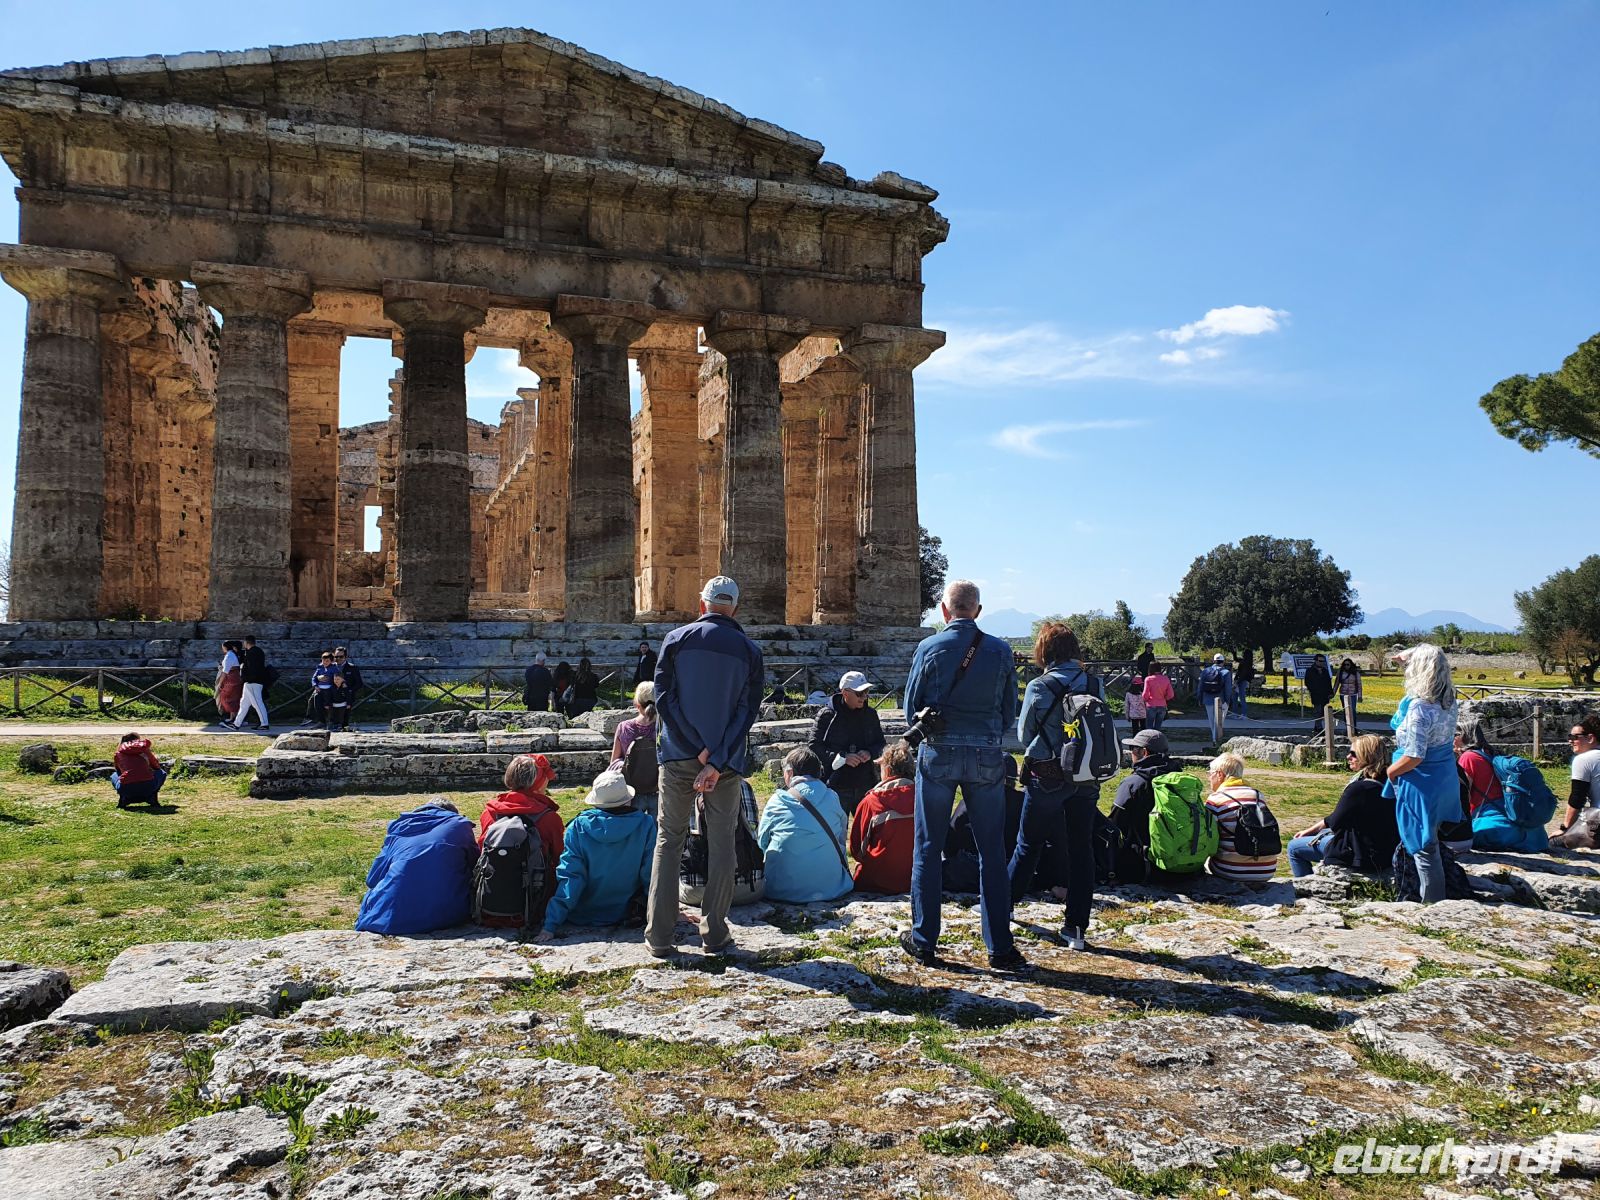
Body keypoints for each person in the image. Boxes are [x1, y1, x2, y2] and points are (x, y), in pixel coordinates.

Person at [901, 579, 1026, 973]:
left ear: (943, 610)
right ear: (978, 610)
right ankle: (1000, 946)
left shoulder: (929, 648)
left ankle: (924, 940)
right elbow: (1010, 711)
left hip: (938, 752)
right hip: (987, 754)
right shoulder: (1001, 651)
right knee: (992, 849)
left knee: (927, 847)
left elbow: (910, 710)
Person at [647, 575, 765, 958]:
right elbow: (747, 712)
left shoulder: (675, 640)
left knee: (669, 840)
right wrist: (714, 757)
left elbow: (663, 699)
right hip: (725, 763)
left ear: (703, 604)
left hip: (679, 756)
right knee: (722, 842)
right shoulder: (749, 650)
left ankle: (660, 936)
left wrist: (695, 748)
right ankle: (714, 933)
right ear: (735, 607)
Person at [1008, 622, 1103, 950]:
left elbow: (1023, 736)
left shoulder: (1039, 685)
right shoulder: (1093, 682)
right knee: (1081, 849)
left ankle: (1004, 905)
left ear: (1044, 652)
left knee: (1028, 842)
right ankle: (1076, 928)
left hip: (1047, 774)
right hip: (1086, 775)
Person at [534, 768, 656, 941]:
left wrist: (551, 924)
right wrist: (666, 912)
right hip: (627, 912)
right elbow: (650, 874)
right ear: (628, 798)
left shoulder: (577, 827)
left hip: (582, 913)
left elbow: (571, 877)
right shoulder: (645, 824)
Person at [1383, 644, 1461, 904]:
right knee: (1431, 842)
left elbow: (1415, 755)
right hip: (1444, 776)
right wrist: (1407, 656)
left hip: (1421, 780)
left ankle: (1432, 905)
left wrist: (1391, 771)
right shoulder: (1449, 701)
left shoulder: (1419, 707)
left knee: (1424, 847)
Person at [354, 800, 479, 935]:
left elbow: (372, 879)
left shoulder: (399, 829)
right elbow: (475, 866)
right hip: (447, 915)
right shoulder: (459, 826)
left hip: (387, 920)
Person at [1287, 734, 1399, 876]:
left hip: (1361, 852)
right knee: (1321, 833)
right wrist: (1314, 829)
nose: (1348, 757)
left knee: (1294, 848)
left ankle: (1304, 887)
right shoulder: (1391, 783)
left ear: (1366, 756)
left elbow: (1336, 822)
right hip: (1388, 850)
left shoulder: (1358, 789)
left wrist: (1313, 830)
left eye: (1353, 754)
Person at [757, 748, 853, 903]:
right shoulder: (832, 797)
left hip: (781, 889)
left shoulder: (777, 801)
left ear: (789, 773)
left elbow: (762, 842)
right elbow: (841, 838)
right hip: (831, 887)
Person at [478, 754, 566, 914]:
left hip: (491, 901)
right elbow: (560, 859)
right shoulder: (549, 818)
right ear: (539, 782)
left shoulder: (489, 813)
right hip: (537, 903)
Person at [808, 670, 887, 815]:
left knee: (867, 832)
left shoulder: (871, 714)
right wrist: (842, 757)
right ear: (845, 693)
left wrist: (869, 753)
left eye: (866, 691)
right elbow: (814, 746)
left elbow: (880, 743)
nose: (864, 697)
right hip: (836, 784)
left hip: (865, 782)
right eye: (859, 693)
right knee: (836, 833)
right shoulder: (827, 715)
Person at [1109, 729, 1182, 879]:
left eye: (1133, 749)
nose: (1131, 753)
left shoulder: (1133, 783)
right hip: (1181, 857)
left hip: (1143, 863)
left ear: (1144, 753)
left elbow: (1114, 823)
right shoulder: (1180, 779)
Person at [850, 741, 917, 895]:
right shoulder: (923, 797)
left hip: (877, 880)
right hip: (916, 878)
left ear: (886, 769)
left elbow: (856, 850)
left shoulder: (871, 801)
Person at [1202, 752, 1280, 883]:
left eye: (1210, 773)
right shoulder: (1257, 795)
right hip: (1267, 870)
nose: (1209, 777)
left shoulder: (1215, 799)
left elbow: (1208, 837)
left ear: (1220, 774)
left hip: (1231, 870)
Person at [612, 681, 660, 816]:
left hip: (631, 791)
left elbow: (614, 761)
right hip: (658, 788)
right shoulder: (665, 728)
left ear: (636, 703)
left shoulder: (624, 727)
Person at [1559, 715, 1600, 837]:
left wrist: (1565, 828)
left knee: (1553, 843)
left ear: (1590, 738)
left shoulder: (1583, 759)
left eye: (1574, 737)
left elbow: (1578, 797)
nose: (1570, 741)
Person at [1455, 715, 1501, 821]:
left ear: (1464, 735)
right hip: (1502, 810)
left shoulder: (1468, 757)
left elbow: (1464, 795)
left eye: (1454, 735)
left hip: (1484, 815)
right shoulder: (1491, 752)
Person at [111, 732, 166, 808]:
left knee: (114, 775)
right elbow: (156, 767)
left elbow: (118, 770)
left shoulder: (118, 753)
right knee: (162, 773)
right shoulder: (144, 750)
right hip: (148, 786)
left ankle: (124, 797)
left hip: (126, 788)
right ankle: (152, 797)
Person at [232, 635, 271, 731]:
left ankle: (264, 724)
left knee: (257, 703)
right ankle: (236, 723)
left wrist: (248, 678)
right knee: (244, 704)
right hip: (251, 682)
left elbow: (252, 668)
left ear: (246, 642)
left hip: (252, 682)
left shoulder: (251, 653)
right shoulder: (257, 651)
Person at [1196, 653, 1233, 745]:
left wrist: (1200, 699)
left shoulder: (1205, 671)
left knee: (1211, 721)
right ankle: (1216, 740)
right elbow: (1228, 689)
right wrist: (1228, 701)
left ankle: (1214, 739)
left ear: (1214, 661)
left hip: (1207, 699)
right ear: (1223, 662)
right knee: (1220, 722)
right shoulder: (1226, 672)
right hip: (1221, 700)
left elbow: (1200, 687)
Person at [215, 640, 242, 726]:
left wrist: (220, 683)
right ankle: (234, 717)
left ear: (225, 647)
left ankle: (232, 718)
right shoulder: (232, 655)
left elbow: (225, 671)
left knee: (226, 697)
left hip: (231, 679)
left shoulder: (229, 656)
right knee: (233, 698)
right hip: (235, 678)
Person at [1141, 664, 1174, 732]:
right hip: (1162, 705)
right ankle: (1157, 741)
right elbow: (1171, 694)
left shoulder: (1148, 679)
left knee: (1149, 727)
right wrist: (1165, 698)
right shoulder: (1166, 678)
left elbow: (1145, 695)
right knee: (1158, 727)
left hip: (1151, 705)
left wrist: (1145, 700)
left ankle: (1149, 741)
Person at [310, 651, 339, 727]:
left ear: (331, 661)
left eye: (327, 661)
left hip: (329, 689)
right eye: (323, 660)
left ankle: (330, 721)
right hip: (319, 689)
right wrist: (315, 685)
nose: (325, 662)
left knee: (328, 706)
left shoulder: (334, 668)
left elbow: (337, 678)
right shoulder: (320, 667)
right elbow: (314, 678)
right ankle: (321, 721)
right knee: (317, 705)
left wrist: (330, 678)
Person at [1336, 658, 1363, 738]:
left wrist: (1360, 696)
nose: (1346, 666)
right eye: (1344, 664)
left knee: (1353, 711)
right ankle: (1347, 728)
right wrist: (1333, 694)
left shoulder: (1356, 673)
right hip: (1343, 694)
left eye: (1348, 664)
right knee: (1345, 711)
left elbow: (1359, 685)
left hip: (1353, 694)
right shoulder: (1340, 672)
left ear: (1351, 665)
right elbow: (1336, 683)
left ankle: (1354, 728)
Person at [332, 647, 363, 717]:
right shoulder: (330, 666)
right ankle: (318, 720)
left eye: (341, 656)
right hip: (332, 692)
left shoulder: (353, 668)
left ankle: (342, 723)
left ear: (346, 657)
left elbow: (359, 683)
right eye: (336, 656)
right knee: (317, 695)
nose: (338, 658)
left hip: (346, 693)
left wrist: (350, 690)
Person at [1305, 653, 1335, 720]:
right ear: (1316, 661)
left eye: (1323, 661)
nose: (1322, 663)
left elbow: (1328, 683)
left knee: (1324, 712)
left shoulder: (1325, 671)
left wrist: (1331, 693)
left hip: (1325, 695)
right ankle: (1318, 728)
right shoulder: (1309, 671)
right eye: (1320, 661)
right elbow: (1307, 682)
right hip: (1316, 695)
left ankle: (1321, 728)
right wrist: (1313, 690)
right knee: (1317, 712)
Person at [1232, 655, 1255, 720]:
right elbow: (1236, 659)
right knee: (1236, 697)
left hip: (1241, 681)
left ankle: (1242, 714)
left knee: (1240, 698)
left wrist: (1236, 682)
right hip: (1241, 681)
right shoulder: (1248, 663)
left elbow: (1242, 674)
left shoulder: (1244, 663)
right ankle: (1237, 713)